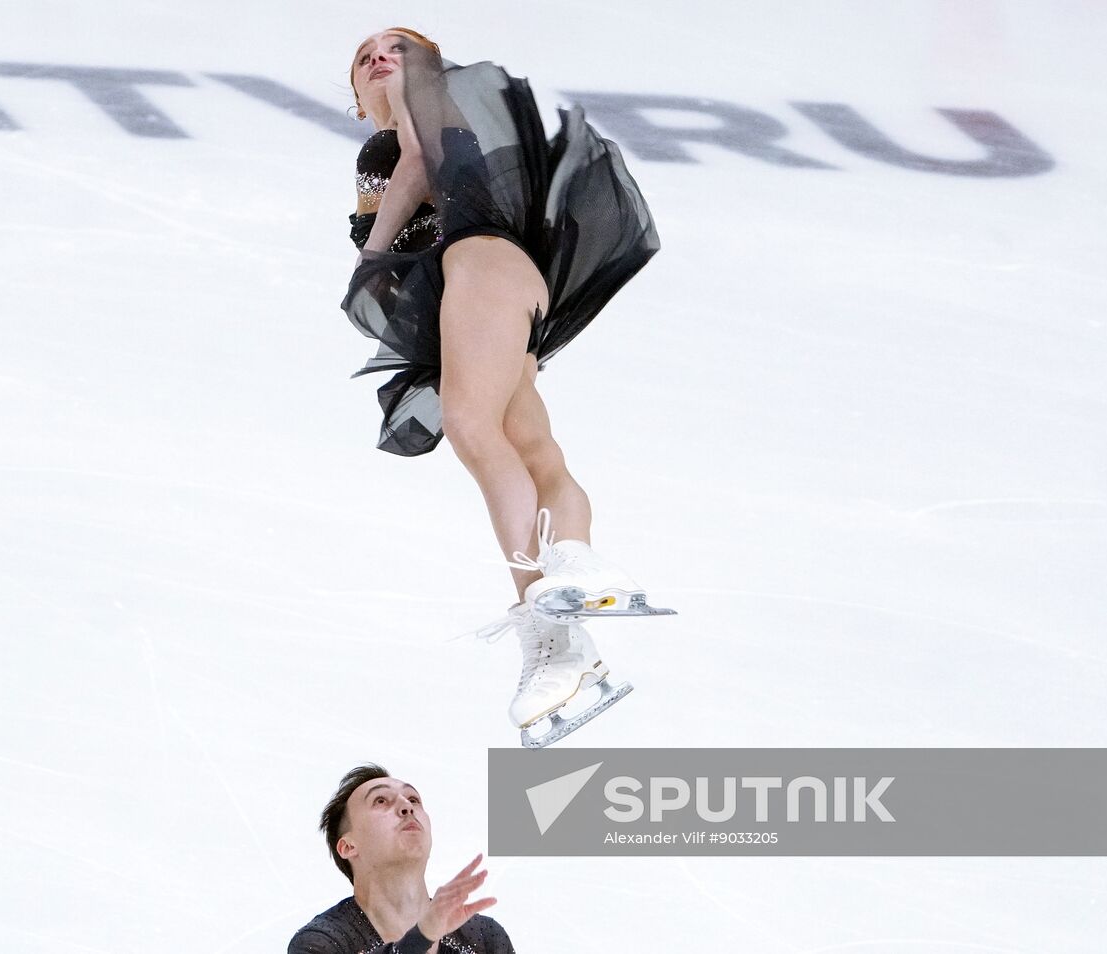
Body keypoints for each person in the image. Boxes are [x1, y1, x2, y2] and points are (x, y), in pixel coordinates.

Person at [341, 29, 664, 745]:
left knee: (472, 428)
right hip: (489, 282)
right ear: (358, 101)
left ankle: (552, 635)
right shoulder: (375, 154)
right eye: (365, 59)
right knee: (528, 443)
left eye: (398, 47)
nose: (380, 58)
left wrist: (369, 252)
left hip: (481, 259)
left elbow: (422, 168)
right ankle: (572, 565)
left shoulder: (433, 101)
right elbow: (393, 219)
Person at [289, 764, 514, 954]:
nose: (407, 806)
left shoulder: (484, 937)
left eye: (414, 799)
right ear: (348, 846)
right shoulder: (321, 941)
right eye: (380, 801)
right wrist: (422, 936)